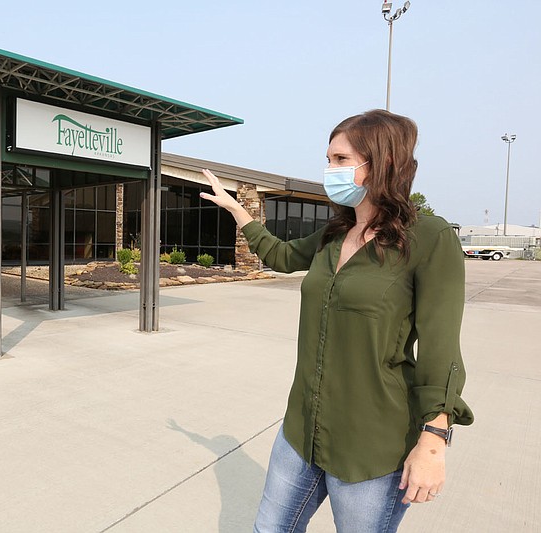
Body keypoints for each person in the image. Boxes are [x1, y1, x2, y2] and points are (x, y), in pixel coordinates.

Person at [199, 109, 474, 533]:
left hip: (371, 446)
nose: (330, 170)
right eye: (329, 159)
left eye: (341, 160)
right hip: (301, 430)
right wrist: (239, 210)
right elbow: (281, 256)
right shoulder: (333, 234)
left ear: (381, 163)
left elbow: (441, 348)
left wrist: (434, 441)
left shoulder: (429, 238)